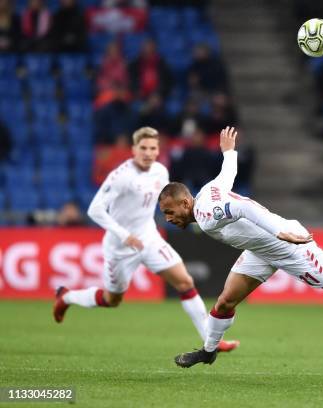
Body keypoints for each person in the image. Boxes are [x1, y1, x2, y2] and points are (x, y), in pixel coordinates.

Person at [158, 127, 323, 367]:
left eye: (170, 211)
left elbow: (245, 208)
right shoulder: (207, 193)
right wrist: (229, 152)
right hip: (259, 251)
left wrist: (278, 231)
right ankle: (208, 351)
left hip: (286, 245)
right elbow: (227, 174)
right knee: (225, 302)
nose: (168, 218)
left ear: (185, 202)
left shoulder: (206, 212)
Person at [53, 126, 238, 353]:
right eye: (143, 148)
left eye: (153, 148)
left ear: (158, 149)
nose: (148, 153)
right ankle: (67, 297)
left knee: (185, 282)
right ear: (133, 149)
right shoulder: (121, 177)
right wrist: (124, 235)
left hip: (149, 238)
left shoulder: (160, 171)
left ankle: (212, 342)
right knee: (112, 299)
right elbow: (95, 210)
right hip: (120, 246)